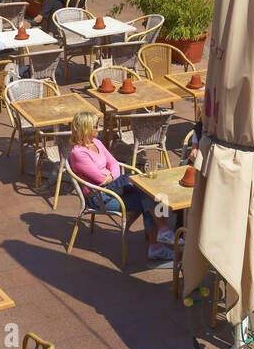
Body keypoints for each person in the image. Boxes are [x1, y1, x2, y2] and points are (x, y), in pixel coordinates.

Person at [67, 111, 174, 261]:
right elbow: (98, 179)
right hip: (100, 197)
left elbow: (114, 163)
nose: (99, 128)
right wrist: (112, 177)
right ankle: (160, 237)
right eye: (95, 126)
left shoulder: (96, 143)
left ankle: (158, 241)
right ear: (85, 129)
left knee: (150, 196)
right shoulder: (78, 153)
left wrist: (111, 177)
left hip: (114, 187)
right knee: (138, 185)